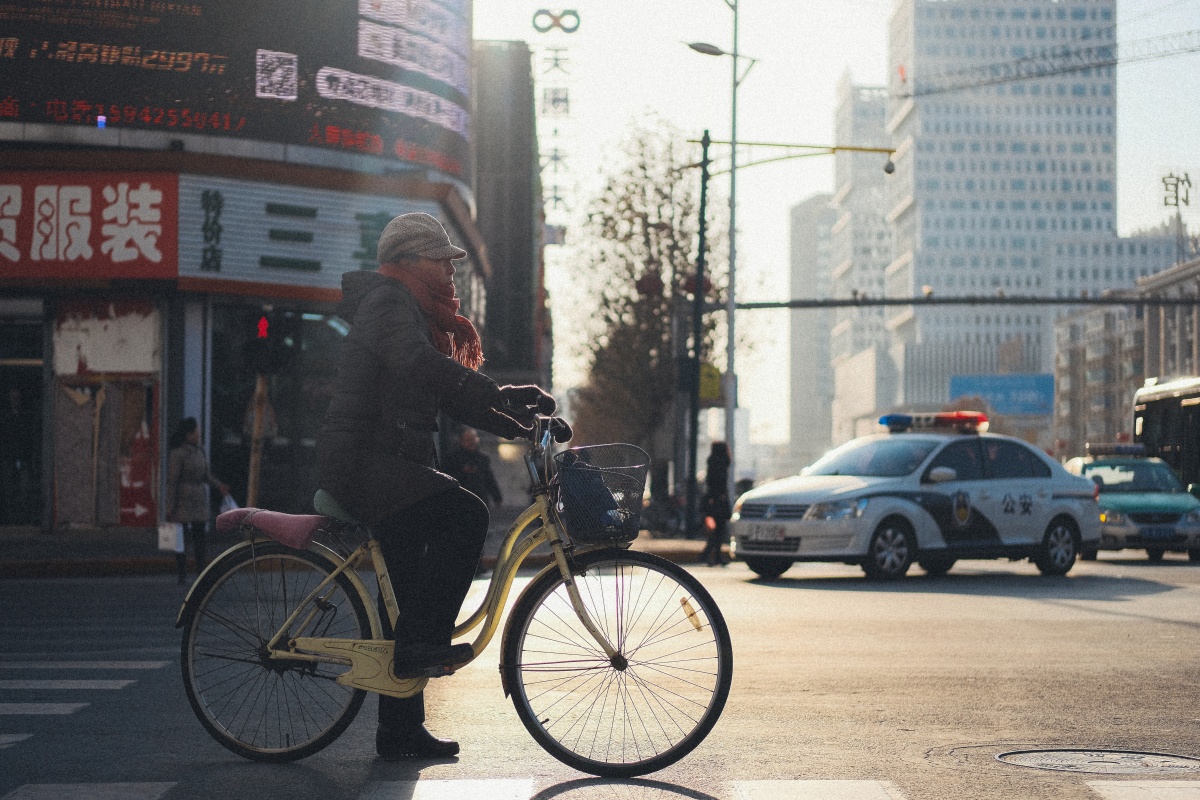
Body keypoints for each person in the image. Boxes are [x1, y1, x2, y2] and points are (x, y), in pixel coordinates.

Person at [316, 212, 557, 761]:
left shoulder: (415, 312)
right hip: (361, 465)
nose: (451, 273)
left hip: (388, 467)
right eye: (442, 261)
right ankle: (423, 647)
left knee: (402, 599)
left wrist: (521, 420)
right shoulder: (389, 304)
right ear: (409, 261)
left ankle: (399, 731)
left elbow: (453, 397)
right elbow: (424, 368)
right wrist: (506, 393)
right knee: (466, 514)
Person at [166, 417, 229, 585]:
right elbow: (172, 481)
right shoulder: (178, 453)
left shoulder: (200, 450)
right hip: (183, 499)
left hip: (199, 499)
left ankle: (201, 572)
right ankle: (181, 573)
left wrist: (219, 485)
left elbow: (206, 475)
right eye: (195, 432)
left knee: (200, 537)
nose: (198, 435)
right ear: (188, 434)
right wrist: (170, 506)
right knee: (180, 539)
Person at [442, 428, 503, 508]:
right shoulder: (452, 459)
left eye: (473, 439)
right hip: (459, 501)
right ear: (461, 441)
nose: (471, 442)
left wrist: (497, 497)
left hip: (480, 500)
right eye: (468, 440)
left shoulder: (482, 459)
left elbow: (489, 479)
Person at [700, 442, 732, 566]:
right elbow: (719, 484)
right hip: (719, 501)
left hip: (714, 501)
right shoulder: (721, 465)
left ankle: (713, 555)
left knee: (717, 530)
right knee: (719, 530)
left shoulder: (713, 463)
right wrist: (721, 497)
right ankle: (709, 554)